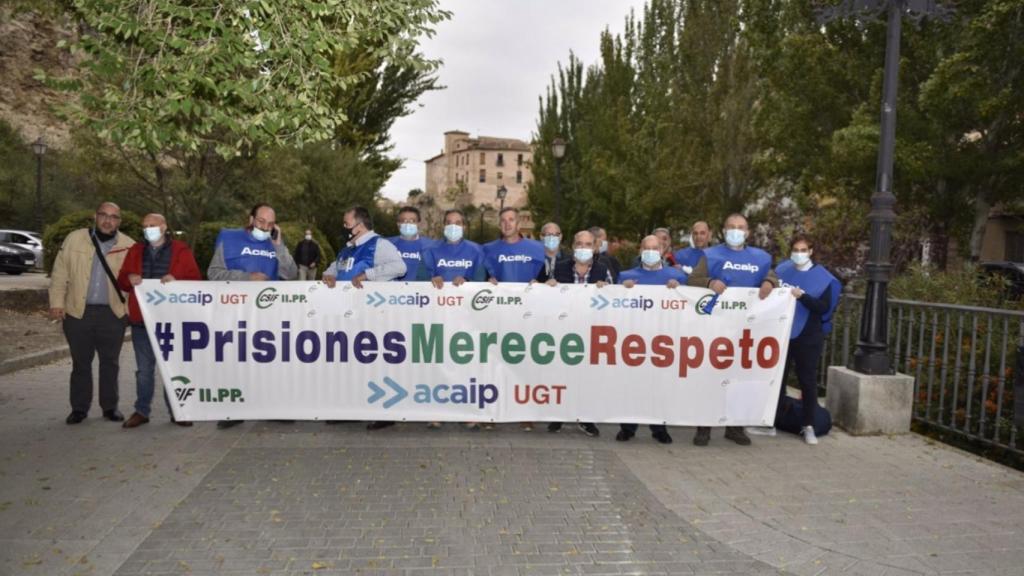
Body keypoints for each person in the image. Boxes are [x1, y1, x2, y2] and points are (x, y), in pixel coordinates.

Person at [208, 203, 298, 429]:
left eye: (270, 224)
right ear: (251, 219)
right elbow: (213, 273)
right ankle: (233, 411)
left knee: (269, 360)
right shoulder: (228, 238)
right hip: (235, 311)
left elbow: (292, 274)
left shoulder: (275, 243)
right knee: (236, 361)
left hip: (268, 313)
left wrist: (279, 246)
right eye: (261, 222)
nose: (265, 227)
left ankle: (273, 408)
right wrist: (247, 278)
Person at [694, 213, 779, 447]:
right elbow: (692, 280)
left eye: (740, 227)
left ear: (748, 232)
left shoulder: (761, 258)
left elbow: (772, 275)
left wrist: (769, 282)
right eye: (731, 227)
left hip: (747, 329)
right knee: (711, 377)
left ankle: (735, 427)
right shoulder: (710, 256)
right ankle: (704, 428)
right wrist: (710, 283)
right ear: (724, 230)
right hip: (716, 326)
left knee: (740, 379)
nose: (736, 231)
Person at [615, 235, 707, 444]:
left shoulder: (677, 277)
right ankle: (628, 427)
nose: (650, 252)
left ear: (663, 250)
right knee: (632, 385)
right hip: (633, 340)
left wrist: (679, 290)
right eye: (646, 248)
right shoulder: (625, 277)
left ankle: (659, 427)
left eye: (655, 248)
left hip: (664, 342)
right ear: (640, 250)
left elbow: (689, 305)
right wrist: (621, 290)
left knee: (660, 386)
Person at [49, 202, 135, 424]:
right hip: (78, 313)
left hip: (112, 314)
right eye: (104, 215)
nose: (108, 220)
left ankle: (110, 407)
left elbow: (135, 283)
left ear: (119, 221)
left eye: (114, 217)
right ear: (95, 216)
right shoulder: (75, 238)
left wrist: (126, 313)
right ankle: (79, 408)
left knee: (110, 363)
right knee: (80, 363)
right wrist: (57, 302)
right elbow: (60, 273)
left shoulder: (129, 246)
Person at [323, 206, 406, 430]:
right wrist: (329, 274)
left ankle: (385, 412)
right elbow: (335, 267)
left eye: (347, 223)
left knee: (376, 364)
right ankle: (351, 409)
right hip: (348, 315)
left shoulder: (380, 245)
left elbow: (400, 267)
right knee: (351, 363)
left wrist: (369, 275)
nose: (344, 227)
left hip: (373, 315)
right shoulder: (348, 248)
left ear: (359, 226)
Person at [117, 213, 202, 428]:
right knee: (144, 370)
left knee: (172, 368)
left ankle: (177, 411)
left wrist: (177, 280)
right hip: (141, 321)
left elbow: (196, 281)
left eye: (152, 225)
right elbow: (121, 280)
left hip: (172, 321)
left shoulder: (180, 250)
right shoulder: (136, 250)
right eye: (145, 226)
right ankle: (141, 411)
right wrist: (129, 278)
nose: (148, 229)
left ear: (164, 227)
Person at [769, 235, 841, 445]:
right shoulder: (783, 270)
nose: (798, 254)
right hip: (783, 332)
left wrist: (803, 297)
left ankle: (808, 426)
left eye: (803, 250)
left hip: (809, 336)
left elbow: (823, 308)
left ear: (811, 252)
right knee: (778, 378)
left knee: (807, 381)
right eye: (795, 249)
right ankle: (771, 422)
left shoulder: (824, 278)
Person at [420, 208, 486, 430]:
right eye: (449, 222)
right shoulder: (431, 250)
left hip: (468, 317)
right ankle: (437, 411)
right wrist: (432, 278)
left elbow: (482, 278)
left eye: (458, 222)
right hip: (439, 316)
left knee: (468, 362)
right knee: (440, 363)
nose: (453, 226)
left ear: (464, 226)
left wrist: (466, 278)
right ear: (443, 225)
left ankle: (469, 412)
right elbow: (421, 277)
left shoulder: (476, 251)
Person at [541, 230, 612, 437]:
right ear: (572, 246)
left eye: (588, 244)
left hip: (591, 332)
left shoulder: (602, 270)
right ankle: (558, 416)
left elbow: (616, 301)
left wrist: (607, 290)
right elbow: (546, 297)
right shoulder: (560, 268)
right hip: (564, 333)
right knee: (561, 374)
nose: (583, 248)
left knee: (587, 378)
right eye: (579, 244)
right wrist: (548, 287)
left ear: (595, 247)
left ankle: (586, 418)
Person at [484, 207, 545, 431]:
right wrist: (486, 282)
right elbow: (482, 278)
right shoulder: (488, 250)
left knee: (524, 364)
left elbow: (548, 278)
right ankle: (490, 411)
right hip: (497, 315)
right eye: (503, 220)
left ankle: (525, 412)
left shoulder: (537, 249)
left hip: (527, 316)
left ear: (519, 224)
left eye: (511, 220)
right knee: (494, 364)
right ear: (499, 225)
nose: (507, 224)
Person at [387, 206, 434, 282]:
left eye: (412, 220)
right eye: (404, 220)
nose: (408, 223)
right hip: (391, 292)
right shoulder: (387, 244)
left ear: (419, 224)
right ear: (398, 224)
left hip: (422, 292)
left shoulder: (431, 246)